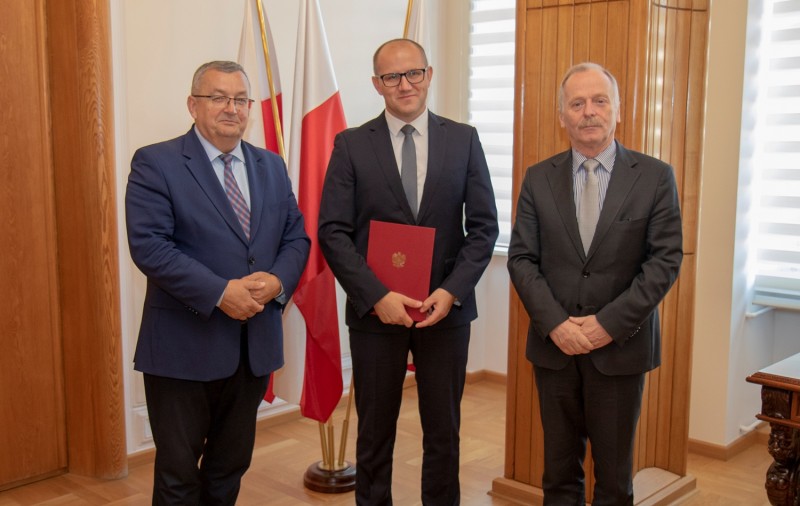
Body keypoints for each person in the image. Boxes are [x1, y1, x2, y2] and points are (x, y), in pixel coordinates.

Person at [318, 39, 498, 505]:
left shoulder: (464, 139)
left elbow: (483, 229)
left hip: (445, 313)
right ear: (376, 84)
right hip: (376, 314)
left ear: (429, 74)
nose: (405, 84)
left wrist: (452, 291)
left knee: (444, 432)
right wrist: (376, 296)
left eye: (413, 72)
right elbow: (333, 232)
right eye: (392, 76)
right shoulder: (352, 145)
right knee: (375, 433)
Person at [125, 60, 310, 505]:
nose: (231, 108)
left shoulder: (271, 165)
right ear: (193, 105)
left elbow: (296, 237)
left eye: (240, 99)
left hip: (252, 348)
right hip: (183, 347)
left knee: (229, 468)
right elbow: (150, 246)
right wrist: (220, 292)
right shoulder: (157, 162)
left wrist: (277, 281)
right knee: (177, 476)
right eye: (218, 98)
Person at [507, 62, 683, 505]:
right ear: (562, 116)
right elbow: (522, 258)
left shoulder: (654, 177)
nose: (589, 111)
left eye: (600, 101)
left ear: (617, 110)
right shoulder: (538, 178)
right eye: (577, 103)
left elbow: (664, 261)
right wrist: (555, 324)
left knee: (614, 480)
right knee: (558, 475)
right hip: (555, 350)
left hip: (620, 350)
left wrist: (608, 324)